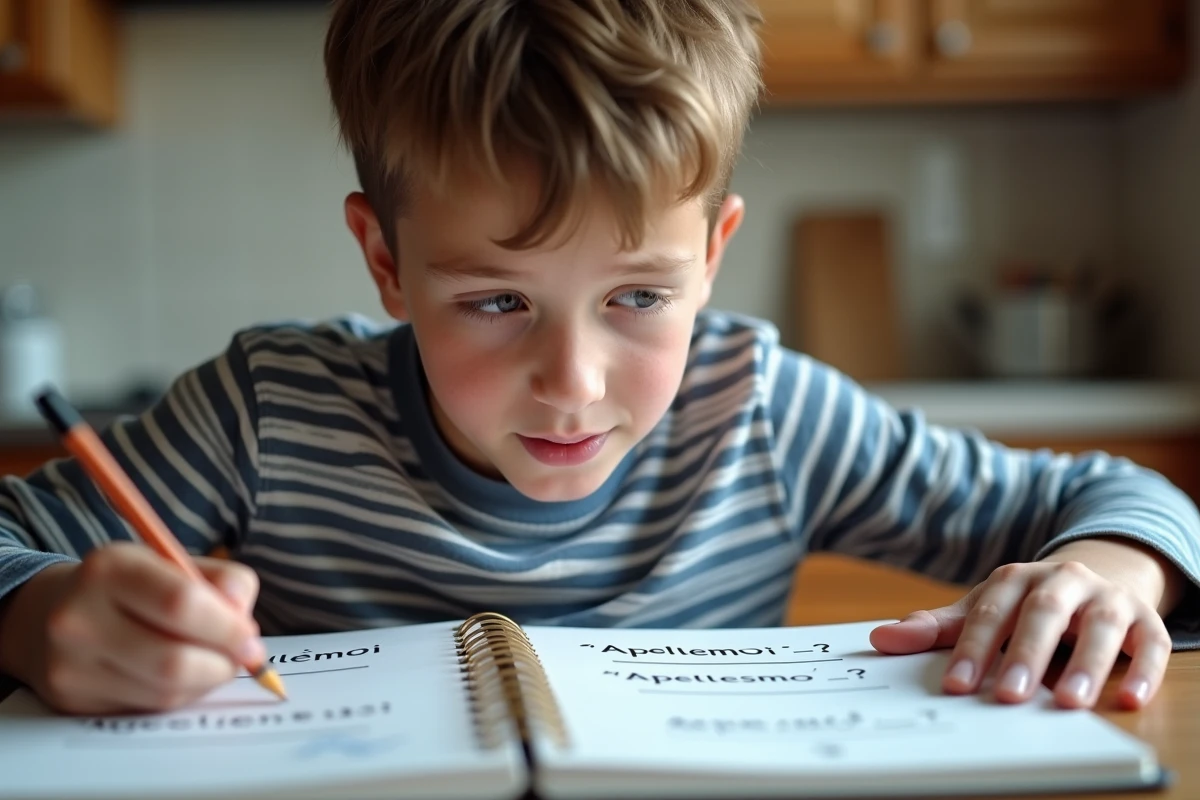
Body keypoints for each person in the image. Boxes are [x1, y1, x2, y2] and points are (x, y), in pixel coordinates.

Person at [0, 0, 1197, 718]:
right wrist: (39, 611)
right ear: (385, 259)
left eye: (639, 295)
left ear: (714, 255)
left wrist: (1108, 570)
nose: (573, 381)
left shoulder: (764, 411)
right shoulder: (267, 413)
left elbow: (1119, 495)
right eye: (496, 301)